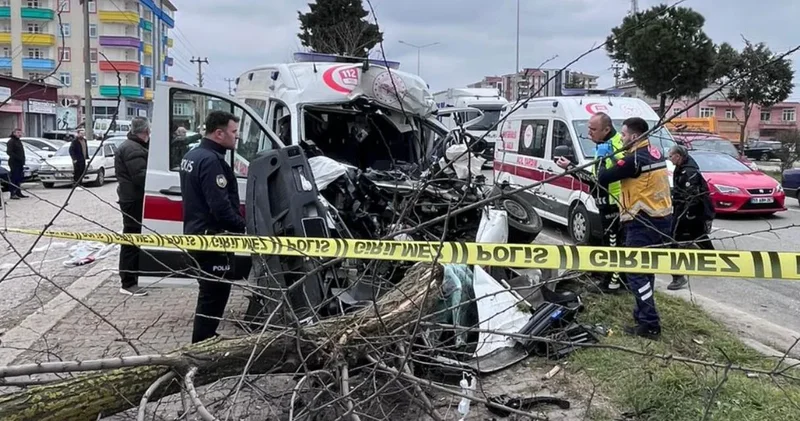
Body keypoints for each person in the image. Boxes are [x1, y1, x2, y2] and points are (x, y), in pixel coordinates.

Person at [597, 117, 673, 340]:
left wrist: (603, 158)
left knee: (635, 272)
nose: (621, 138)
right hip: (661, 218)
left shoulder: (634, 159)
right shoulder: (654, 152)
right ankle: (642, 316)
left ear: (634, 136)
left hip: (642, 220)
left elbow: (604, 177)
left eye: (623, 135)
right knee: (646, 270)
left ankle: (650, 323)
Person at [179, 110, 245, 343]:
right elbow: (220, 207)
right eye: (233, 132)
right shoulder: (211, 161)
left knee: (209, 294)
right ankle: (202, 345)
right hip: (213, 241)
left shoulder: (193, 155)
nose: (237, 136)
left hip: (196, 235)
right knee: (214, 295)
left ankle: (206, 339)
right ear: (219, 133)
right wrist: (242, 226)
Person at [556, 112, 625, 292]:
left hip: (613, 203)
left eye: (593, 129)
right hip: (606, 201)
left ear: (606, 130)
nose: (589, 133)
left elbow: (597, 181)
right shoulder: (605, 144)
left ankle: (612, 283)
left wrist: (570, 168)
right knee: (610, 242)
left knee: (613, 244)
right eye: (588, 128)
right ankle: (614, 278)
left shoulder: (612, 147)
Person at [667, 145, 715, 290]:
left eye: (671, 156)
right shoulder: (682, 168)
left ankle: (678, 277)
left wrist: (687, 213)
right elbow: (680, 190)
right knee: (698, 234)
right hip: (688, 210)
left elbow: (691, 196)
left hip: (689, 210)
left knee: (673, 238)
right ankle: (713, 259)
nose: (670, 159)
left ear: (678, 156)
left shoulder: (689, 172)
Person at [115, 117, 151, 297]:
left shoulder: (134, 146)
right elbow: (141, 177)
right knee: (131, 240)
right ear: (145, 131)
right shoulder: (132, 149)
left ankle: (135, 276)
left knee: (135, 238)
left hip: (131, 198)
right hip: (133, 200)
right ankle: (128, 282)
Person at [6, 129, 27, 199]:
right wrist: (17, 158)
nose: (19, 134)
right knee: (14, 178)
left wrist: (22, 160)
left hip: (20, 162)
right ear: (14, 133)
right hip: (14, 162)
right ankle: (13, 193)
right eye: (18, 133)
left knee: (19, 178)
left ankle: (18, 192)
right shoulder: (11, 141)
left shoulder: (18, 141)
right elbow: (9, 152)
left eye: (20, 133)